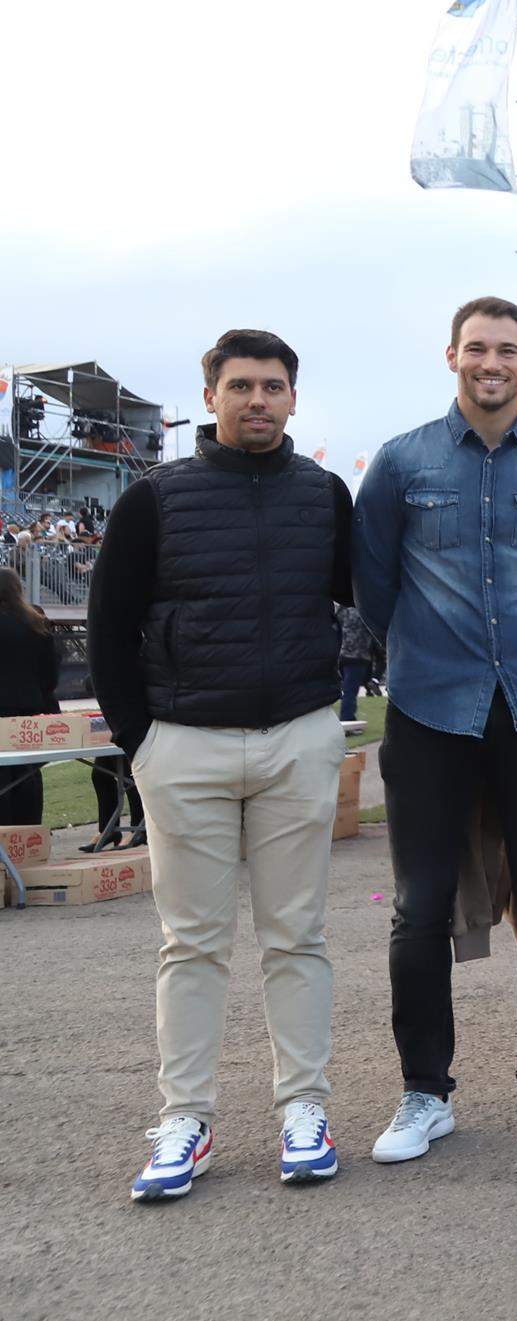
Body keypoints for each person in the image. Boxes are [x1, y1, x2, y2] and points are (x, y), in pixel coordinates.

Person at [87, 330, 355, 1201]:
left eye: (273, 387)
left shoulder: (325, 495)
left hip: (297, 736)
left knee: (296, 936)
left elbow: (361, 600)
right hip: (185, 742)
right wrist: (145, 742)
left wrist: (334, 707)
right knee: (191, 943)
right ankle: (185, 1118)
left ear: (292, 397)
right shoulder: (154, 499)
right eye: (240, 386)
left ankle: (304, 1108)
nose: (257, 401)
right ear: (210, 396)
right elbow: (110, 628)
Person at [354, 297, 517, 1162]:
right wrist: (427, 655)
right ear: (451, 356)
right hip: (430, 710)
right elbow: (374, 587)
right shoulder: (402, 461)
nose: (490, 362)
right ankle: (424, 1092)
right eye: (476, 348)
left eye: (506, 349)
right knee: (419, 906)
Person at [0, 566, 61, 829]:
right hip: (31, 711)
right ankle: (28, 839)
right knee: (28, 776)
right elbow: (51, 676)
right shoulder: (37, 625)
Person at [337, 605, 381, 725]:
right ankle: (347, 719)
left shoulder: (344, 610)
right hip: (359, 656)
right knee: (350, 692)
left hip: (343, 655)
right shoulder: (366, 611)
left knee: (347, 689)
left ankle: (346, 717)